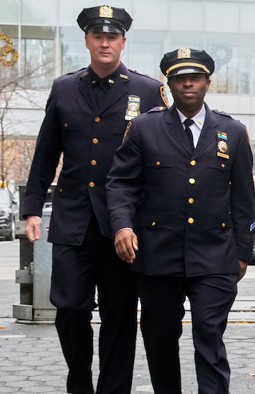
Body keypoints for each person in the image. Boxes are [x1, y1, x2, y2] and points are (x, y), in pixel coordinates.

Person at [20, 5, 165, 393]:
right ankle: (79, 380)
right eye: (97, 36)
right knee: (69, 308)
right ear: (86, 40)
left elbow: (160, 156)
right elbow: (46, 152)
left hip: (123, 224)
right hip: (72, 219)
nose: (105, 42)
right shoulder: (64, 88)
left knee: (119, 315)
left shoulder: (147, 90)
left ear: (123, 42)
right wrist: (32, 208)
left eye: (112, 36)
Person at [106, 48, 255, 393]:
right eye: (179, 78)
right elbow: (120, 184)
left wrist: (242, 252)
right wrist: (122, 226)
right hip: (158, 254)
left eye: (195, 77)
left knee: (209, 330)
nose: (188, 84)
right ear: (169, 84)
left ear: (207, 82)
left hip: (215, 254)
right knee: (159, 337)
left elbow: (244, 199)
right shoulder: (145, 128)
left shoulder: (232, 132)